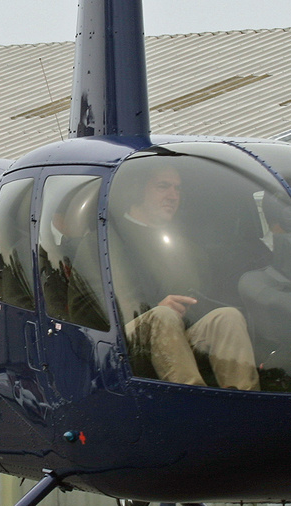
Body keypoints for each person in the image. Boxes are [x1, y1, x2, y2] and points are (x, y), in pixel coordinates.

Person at [111, 162, 259, 391]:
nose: (173, 196)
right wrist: (152, 308)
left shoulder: (190, 249)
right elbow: (98, 312)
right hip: (123, 344)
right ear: (138, 189)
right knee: (162, 315)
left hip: (178, 333)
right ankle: (195, 406)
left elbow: (206, 296)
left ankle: (247, 406)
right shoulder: (109, 239)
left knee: (227, 317)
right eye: (163, 186)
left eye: (177, 189)